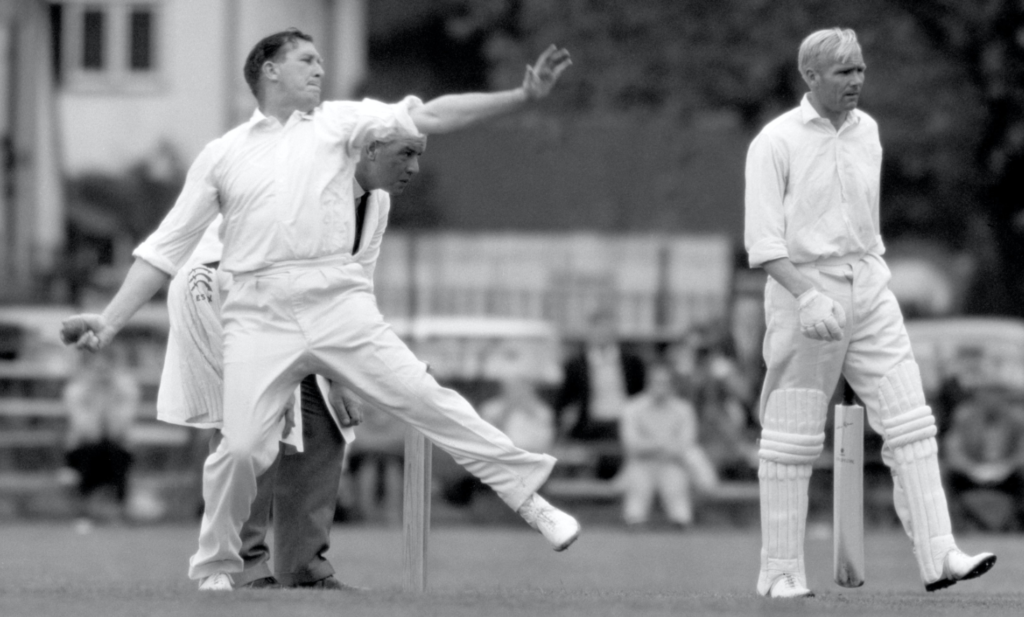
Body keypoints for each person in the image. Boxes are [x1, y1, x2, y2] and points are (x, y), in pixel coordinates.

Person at [61, 28, 579, 591]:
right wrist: (109, 322)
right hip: (255, 310)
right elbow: (164, 249)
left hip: (336, 300)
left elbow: (429, 116)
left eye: (320, 61)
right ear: (268, 70)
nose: (319, 70)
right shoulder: (224, 154)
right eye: (306, 60)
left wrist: (519, 97)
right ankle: (217, 566)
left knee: (427, 398)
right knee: (239, 449)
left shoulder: (341, 122)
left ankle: (530, 500)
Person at [744, 27, 995, 598]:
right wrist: (806, 295)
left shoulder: (869, 132)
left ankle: (940, 557)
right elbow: (762, 243)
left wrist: (866, 282)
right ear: (810, 76)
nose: (857, 80)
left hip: (868, 282)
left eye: (860, 69)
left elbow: (862, 224)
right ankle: (780, 571)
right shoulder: (775, 141)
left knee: (910, 420)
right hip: (802, 291)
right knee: (791, 438)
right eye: (843, 72)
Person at [159, 219, 362, 590]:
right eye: (407, 154)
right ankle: (239, 565)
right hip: (220, 292)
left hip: (293, 307)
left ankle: (303, 567)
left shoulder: (370, 205)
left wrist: (340, 375)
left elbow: (344, 292)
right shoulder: (288, 186)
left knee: (323, 418)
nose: (412, 168)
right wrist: (271, 387)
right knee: (247, 434)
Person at [555, 307, 646, 479]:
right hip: (589, 424)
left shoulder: (632, 363)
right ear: (590, 331)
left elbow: (640, 395)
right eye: (599, 328)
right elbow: (565, 400)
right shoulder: (575, 365)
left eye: (608, 328)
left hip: (623, 421)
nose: (603, 333)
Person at [618, 362, 711, 529]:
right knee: (637, 498)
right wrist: (662, 445)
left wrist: (655, 447)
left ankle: (680, 523)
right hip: (641, 463)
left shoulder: (684, 409)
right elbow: (631, 444)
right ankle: (635, 522)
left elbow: (686, 444)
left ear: (672, 385)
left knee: (677, 497)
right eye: (656, 382)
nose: (660, 387)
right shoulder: (632, 408)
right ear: (648, 383)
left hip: (673, 463)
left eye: (665, 382)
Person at [62, 346, 139, 529]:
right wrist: (95, 400)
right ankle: (84, 512)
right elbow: (86, 430)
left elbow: (119, 429)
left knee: (116, 455)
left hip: (117, 447)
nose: (101, 374)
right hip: (83, 448)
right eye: (96, 369)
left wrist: (110, 398)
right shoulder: (76, 391)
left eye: (106, 368)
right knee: (92, 454)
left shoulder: (126, 389)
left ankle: (118, 511)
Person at [942, 390, 1024, 531]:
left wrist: (1005, 467)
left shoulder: (1017, 419)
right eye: (987, 394)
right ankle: (954, 524)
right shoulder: (964, 417)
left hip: (1006, 472)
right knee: (946, 475)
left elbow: (1022, 451)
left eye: (996, 395)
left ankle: (1017, 524)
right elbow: (953, 451)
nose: (991, 400)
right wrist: (972, 469)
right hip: (972, 471)